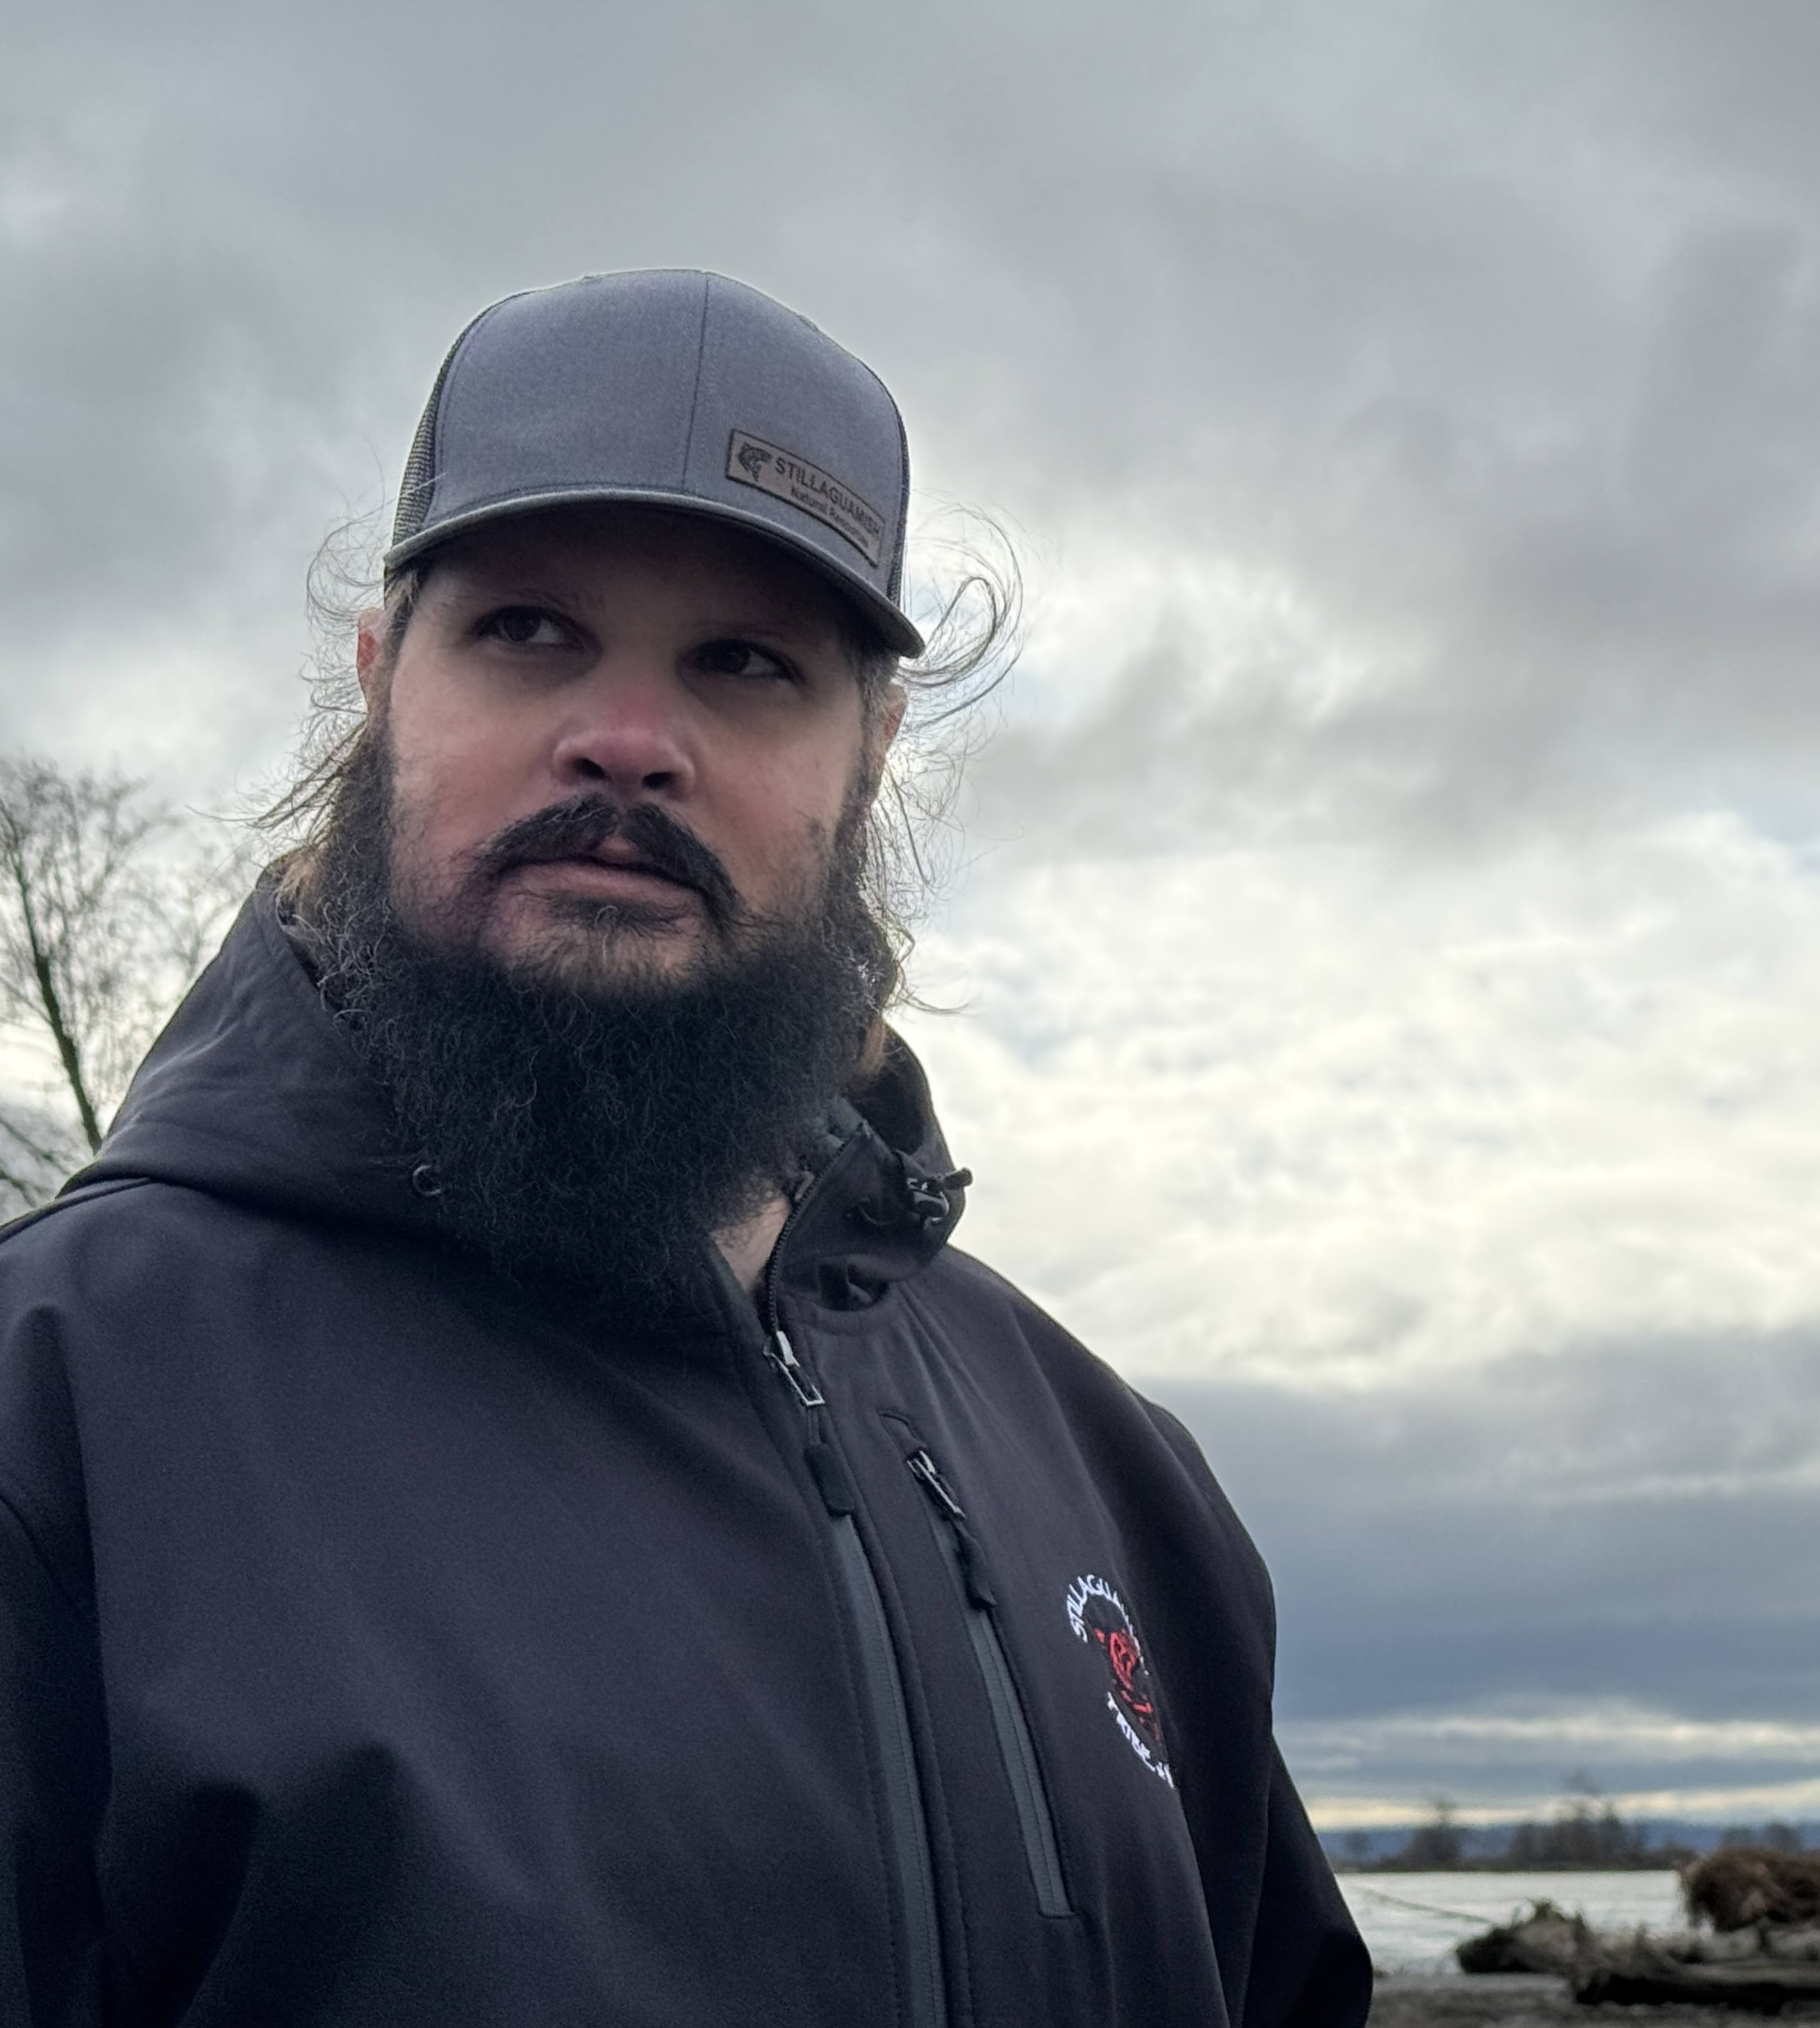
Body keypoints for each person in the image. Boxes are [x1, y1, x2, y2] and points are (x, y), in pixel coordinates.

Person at [0, 270, 1368, 2027]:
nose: (630, 743)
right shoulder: (67, 1420)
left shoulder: (1118, 1478)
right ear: (378, 684)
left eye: (746, 665)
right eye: (529, 632)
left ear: (867, 759)